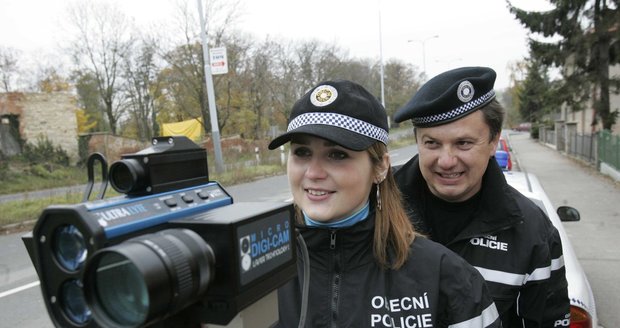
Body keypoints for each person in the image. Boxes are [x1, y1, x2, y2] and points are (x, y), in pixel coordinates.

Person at [268, 79, 500, 327]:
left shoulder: (445, 275)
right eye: (302, 152)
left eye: (337, 154)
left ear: (380, 167)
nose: (313, 173)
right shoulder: (261, 273)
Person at [392, 66, 570, 327]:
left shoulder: (532, 233)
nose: (447, 161)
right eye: (432, 143)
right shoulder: (375, 203)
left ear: (494, 140)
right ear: (417, 141)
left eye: (463, 143)